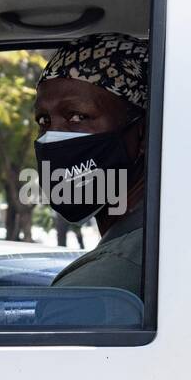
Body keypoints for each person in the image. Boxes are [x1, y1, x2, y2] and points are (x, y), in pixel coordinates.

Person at [33, 32, 149, 298]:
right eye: (44, 121)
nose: (51, 138)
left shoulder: (98, 285)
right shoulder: (146, 246)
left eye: (77, 116)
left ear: (143, 133)